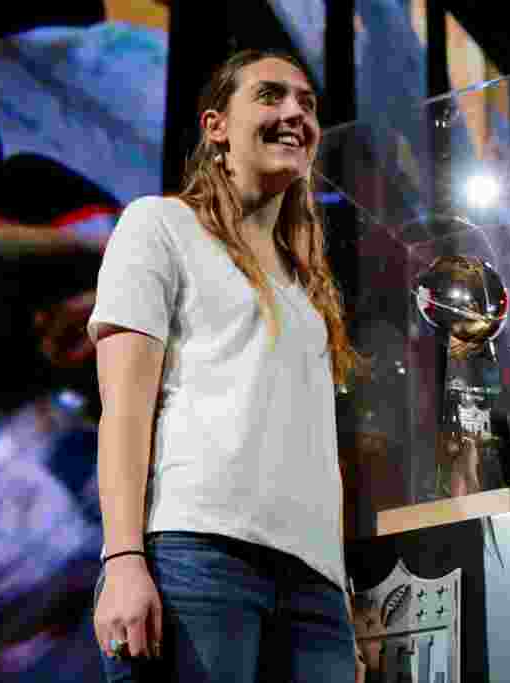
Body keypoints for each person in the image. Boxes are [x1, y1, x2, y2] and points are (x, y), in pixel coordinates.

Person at [87, 49, 364, 682]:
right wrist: (125, 559)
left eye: (308, 104)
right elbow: (125, 408)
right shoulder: (158, 226)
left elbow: (318, 455)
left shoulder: (309, 291)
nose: (295, 111)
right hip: (194, 559)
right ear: (216, 125)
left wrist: (340, 604)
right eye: (270, 96)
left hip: (313, 590)